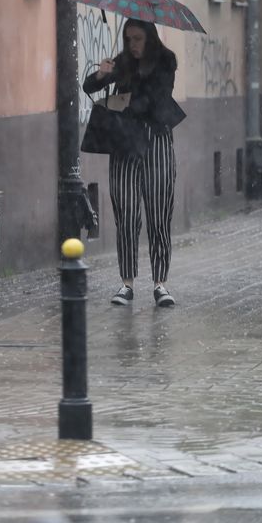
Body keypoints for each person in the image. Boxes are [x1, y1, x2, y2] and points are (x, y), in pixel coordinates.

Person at [83, 19, 185, 308]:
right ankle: (126, 282)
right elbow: (88, 86)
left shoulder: (166, 60)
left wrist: (127, 91)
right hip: (125, 143)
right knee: (125, 212)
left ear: (150, 38)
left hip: (157, 141)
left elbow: (156, 98)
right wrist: (102, 75)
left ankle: (160, 283)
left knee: (159, 212)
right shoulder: (122, 62)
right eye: (128, 39)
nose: (133, 45)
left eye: (138, 39)